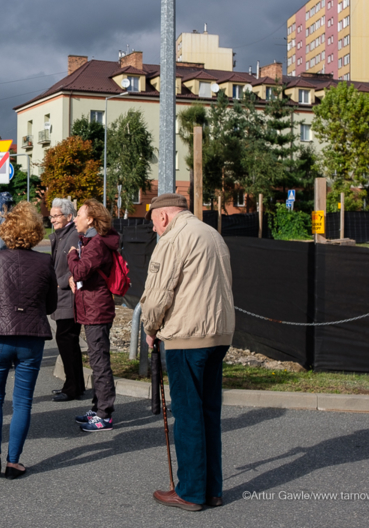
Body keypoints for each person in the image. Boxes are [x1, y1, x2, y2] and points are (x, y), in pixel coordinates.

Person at [141, 193, 234, 511]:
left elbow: (156, 295)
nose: (154, 229)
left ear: (163, 216)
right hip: (218, 334)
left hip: (186, 336)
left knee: (189, 414)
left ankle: (191, 491)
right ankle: (212, 489)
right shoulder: (212, 234)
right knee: (209, 413)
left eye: (153, 222)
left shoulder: (172, 239)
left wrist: (150, 328)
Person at [0, 202, 57, 479]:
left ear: (5, 230)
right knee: (22, 402)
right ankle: (14, 461)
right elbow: (52, 305)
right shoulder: (45, 261)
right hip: (31, 338)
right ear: (35, 232)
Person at [67, 199, 120, 432]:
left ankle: (104, 415)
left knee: (99, 363)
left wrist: (71, 256)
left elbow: (80, 270)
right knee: (96, 360)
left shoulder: (96, 244)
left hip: (97, 310)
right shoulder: (90, 241)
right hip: (92, 308)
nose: (75, 218)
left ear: (90, 219)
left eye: (79, 215)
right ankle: (98, 407)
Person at [48, 198, 84, 402]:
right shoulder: (61, 235)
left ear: (68, 216)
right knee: (67, 342)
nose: (52, 219)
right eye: (51, 216)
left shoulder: (72, 236)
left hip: (68, 296)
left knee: (67, 340)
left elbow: (74, 266)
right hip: (61, 296)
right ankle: (74, 384)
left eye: (56, 216)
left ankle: (72, 388)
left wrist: (58, 282)